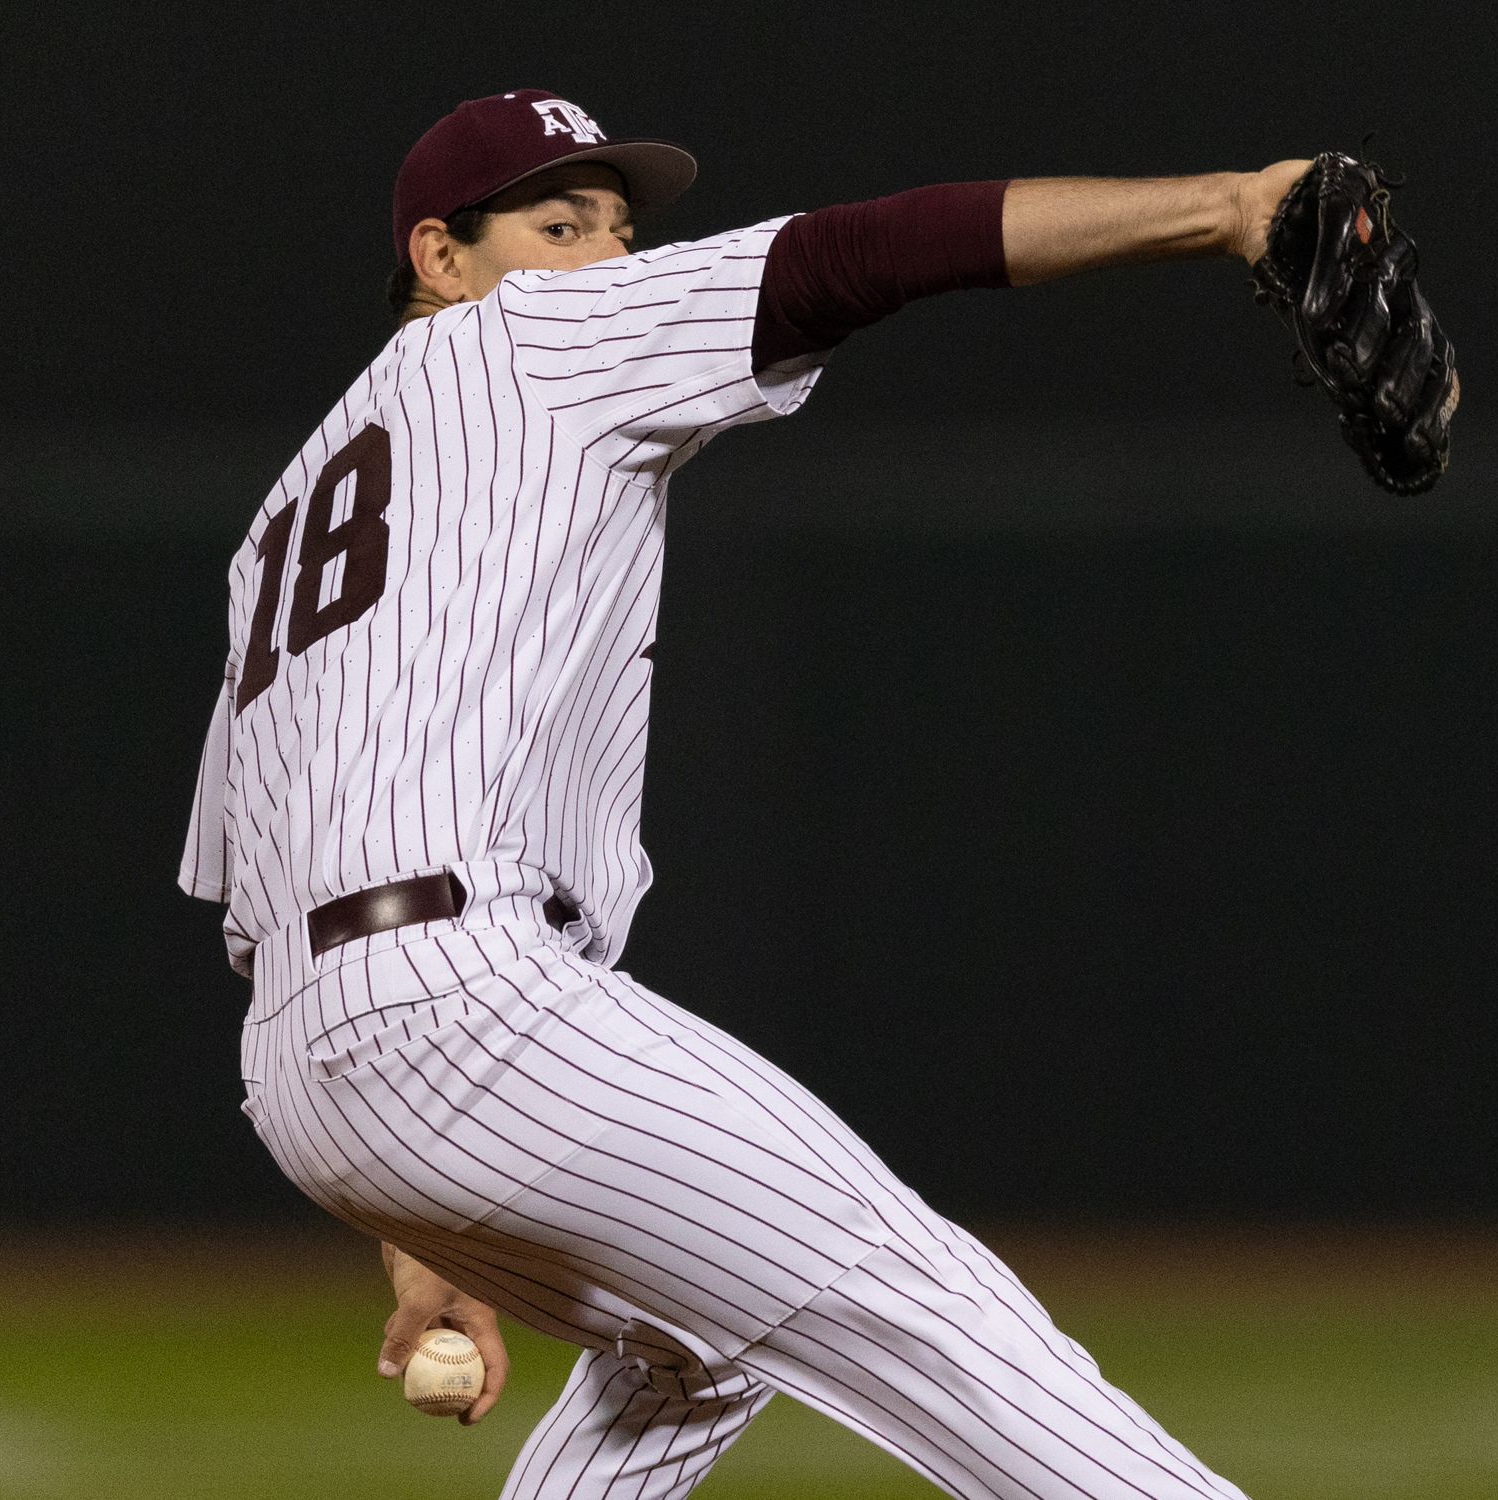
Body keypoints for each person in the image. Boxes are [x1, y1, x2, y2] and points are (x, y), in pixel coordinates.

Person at [182, 87, 1312, 1500]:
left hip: (308, 1071)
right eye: (557, 224)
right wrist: (1226, 207)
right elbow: (858, 254)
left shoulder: (283, 521)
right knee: (924, 1300)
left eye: (618, 227)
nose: (605, 259)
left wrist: (425, 1230)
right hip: (458, 1006)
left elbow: (260, 896)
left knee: (693, 1355)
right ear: (441, 257)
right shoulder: (535, 342)